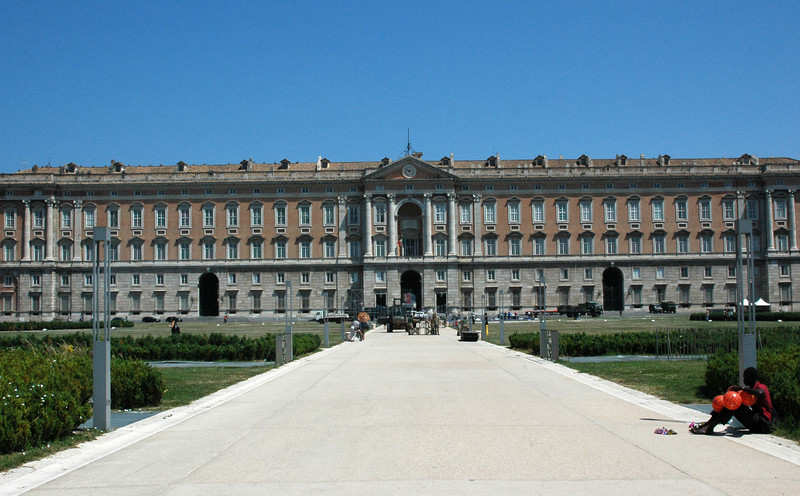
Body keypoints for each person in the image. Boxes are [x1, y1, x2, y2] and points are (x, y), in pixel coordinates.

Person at [690, 367, 775, 435]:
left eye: (746, 378)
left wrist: (742, 388)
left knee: (734, 404)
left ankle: (708, 426)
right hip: (756, 422)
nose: (744, 380)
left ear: (753, 378)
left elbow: (760, 393)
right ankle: (708, 425)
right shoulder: (749, 389)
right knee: (731, 402)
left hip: (763, 424)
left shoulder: (761, 387)